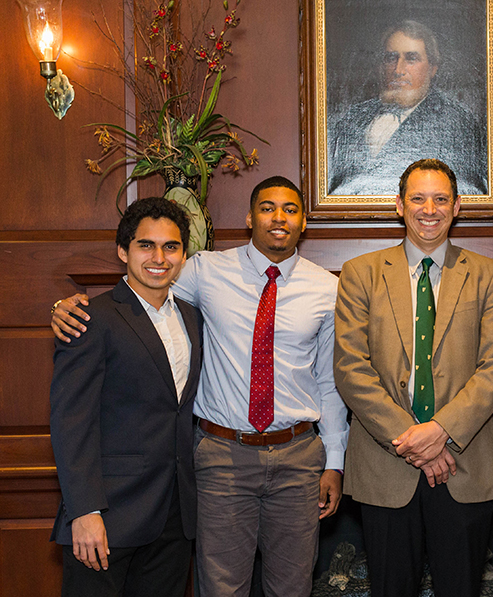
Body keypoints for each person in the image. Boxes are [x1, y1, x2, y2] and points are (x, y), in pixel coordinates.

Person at [51, 176, 350, 597]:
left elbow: (329, 380)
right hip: (221, 458)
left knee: (293, 587)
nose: (278, 217)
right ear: (249, 217)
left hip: (297, 457)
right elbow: (139, 291)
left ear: (304, 222)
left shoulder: (327, 288)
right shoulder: (205, 270)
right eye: (266, 207)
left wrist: (334, 460)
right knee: (221, 589)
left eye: (290, 209)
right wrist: (64, 305)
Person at [333, 159, 493, 597]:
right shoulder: (361, 273)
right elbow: (350, 367)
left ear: (456, 207)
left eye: (440, 199)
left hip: (466, 465)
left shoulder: (487, 274)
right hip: (386, 463)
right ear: (399, 205)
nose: (428, 209)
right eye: (417, 198)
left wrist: (441, 431)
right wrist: (413, 440)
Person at [49, 198, 201, 596]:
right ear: (123, 251)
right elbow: (71, 422)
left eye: (170, 247)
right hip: (107, 515)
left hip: (174, 516)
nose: (159, 258)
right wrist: (83, 511)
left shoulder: (192, 317)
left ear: (184, 255)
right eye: (145, 245)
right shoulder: (90, 318)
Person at [327, 20, 487, 196]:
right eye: (391, 58)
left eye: (411, 58)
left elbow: (469, 192)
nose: (398, 70)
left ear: (432, 68)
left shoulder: (459, 124)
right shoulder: (354, 118)